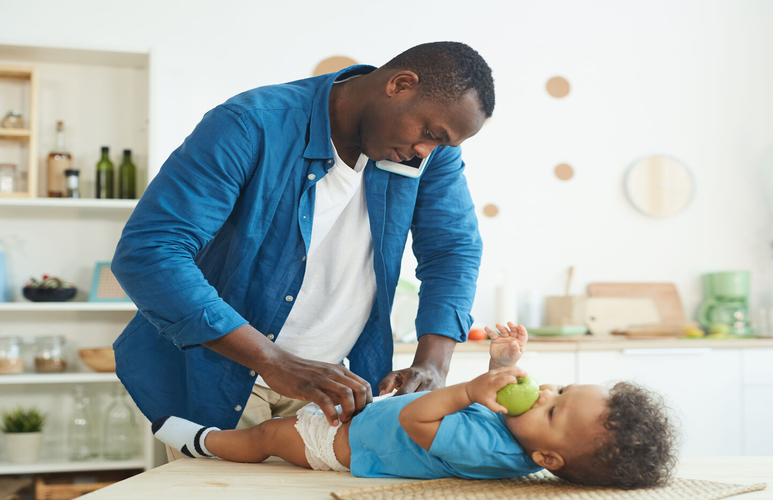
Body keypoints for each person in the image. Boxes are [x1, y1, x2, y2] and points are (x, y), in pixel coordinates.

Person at [110, 41, 493, 458]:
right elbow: (150, 252)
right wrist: (276, 362)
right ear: (401, 85)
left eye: (442, 145)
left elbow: (452, 249)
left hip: (335, 387)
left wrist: (433, 364)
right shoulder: (250, 124)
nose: (426, 152)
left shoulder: (426, 155)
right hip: (222, 379)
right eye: (429, 134)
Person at [151, 323, 679, 488]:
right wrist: (498, 362)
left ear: (547, 460)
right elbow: (479, 399)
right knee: (277, 422)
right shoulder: (519, 428)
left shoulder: (490, 449)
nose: (543, 394)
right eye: (560, 389)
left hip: (341, 446)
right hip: (361, 422)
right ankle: (211, 438)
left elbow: (417, 416)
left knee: (266, 438)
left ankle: (206, 444)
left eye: (554, 411)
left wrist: (472, 389)